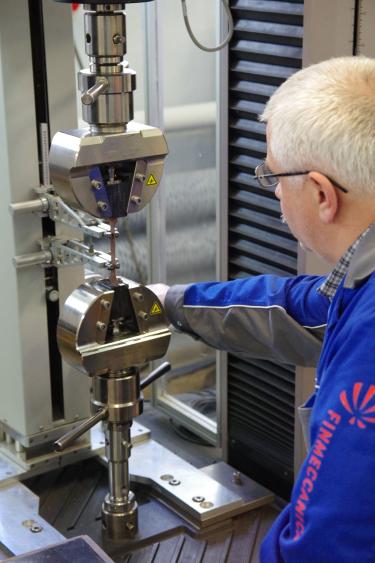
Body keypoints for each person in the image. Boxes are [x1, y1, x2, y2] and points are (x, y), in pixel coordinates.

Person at [150, 56, 375, 562]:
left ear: (321, 194)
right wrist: (169, 303)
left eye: (272, 175)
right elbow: (304, 309)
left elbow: (326, 547)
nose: (273, 192)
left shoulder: (371, 340)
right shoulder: (362, 289)